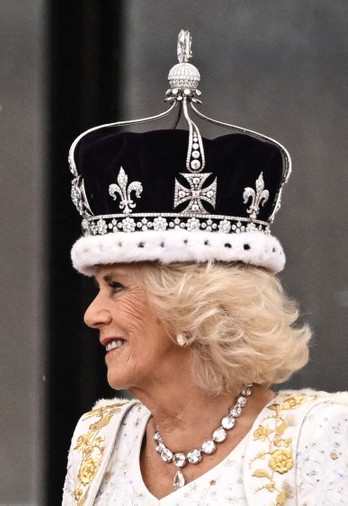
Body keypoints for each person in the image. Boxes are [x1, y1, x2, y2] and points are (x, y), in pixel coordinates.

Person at [61, 31, 348, 504]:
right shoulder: (98, 439)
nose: (93, 314)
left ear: (193, 304)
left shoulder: (314, 440)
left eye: (115, 286)